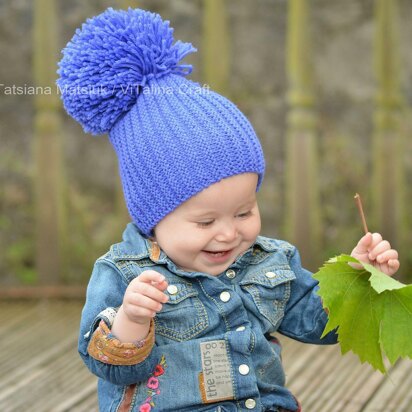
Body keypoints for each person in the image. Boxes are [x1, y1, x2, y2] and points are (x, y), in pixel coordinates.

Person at [57, 8, 400, 412]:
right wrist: (132, 320)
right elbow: (111, 368)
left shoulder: (270, 261)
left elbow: (320, 324)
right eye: (205, 221)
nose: (228, 233)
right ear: (154, 216)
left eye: (244, 212)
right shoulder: (126, 274)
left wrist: (359, 280)